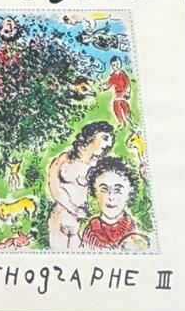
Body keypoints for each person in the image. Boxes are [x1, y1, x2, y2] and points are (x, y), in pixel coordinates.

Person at [46, 121, 114, 249]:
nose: (108, 144)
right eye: (105, 138)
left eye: (111, 141)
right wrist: (73, 209)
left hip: (81, 226)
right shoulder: (65, 159)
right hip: (59, 220)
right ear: (91, 136)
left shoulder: (99, 167)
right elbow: (54, 188)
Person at [81, 156, 149, 250]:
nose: (110, 196)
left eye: (117, 190)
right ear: (95, 191)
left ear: (130, 192)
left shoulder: (134, 230)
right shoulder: (90, 232)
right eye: (104, 189)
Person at [101, 56, 134, 128]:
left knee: (125, 107)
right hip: (117, 95)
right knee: (116, 107)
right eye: (114, 65)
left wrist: (127, 92)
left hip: (123, 94)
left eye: (117, 64)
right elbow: (109, 83)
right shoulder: (113, 76)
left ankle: (129, 119)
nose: (116, 66)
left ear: (120, 63)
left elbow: (128, 83)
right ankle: (121, 122)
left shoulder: (123, 74)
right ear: (112, 66)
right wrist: (104, 86)